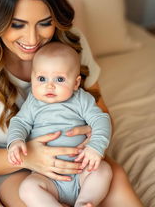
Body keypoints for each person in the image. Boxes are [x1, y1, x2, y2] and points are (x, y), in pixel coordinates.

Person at [0, 0, 143, 207]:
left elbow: (100, 110)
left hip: (77, 158)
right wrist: (29, 159)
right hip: (13, 164)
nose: (32, 39)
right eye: (17, 25)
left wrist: (95, 138)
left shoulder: (71, 44)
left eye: (45, 23)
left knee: (116, 180)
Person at [7, 42, 112, 207]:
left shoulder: (81, 99)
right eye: (41, 78)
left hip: (82, 169)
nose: (49, 85)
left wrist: (95, 147)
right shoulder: (33, 102)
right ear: (32, 78)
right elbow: (20, 122)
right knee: (27, 188)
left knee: (104, 171)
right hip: (48, 176)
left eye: (60, 79)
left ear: (76, 83)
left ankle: (85, 201)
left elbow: (101, 119)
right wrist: (15, 141)